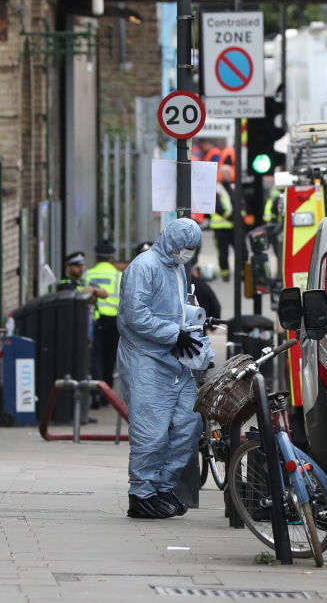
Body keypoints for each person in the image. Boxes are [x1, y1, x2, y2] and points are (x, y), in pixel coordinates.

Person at [117, 218, 203, 519]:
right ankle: (141, 495)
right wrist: (173, 334)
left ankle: (161, 486)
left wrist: (188, 327)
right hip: (145, 360)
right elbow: (134, 315)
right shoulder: (144, 267)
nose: (187, 253)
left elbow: (174, 308)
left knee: (189, 424)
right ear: (171, 243)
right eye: (185, 248)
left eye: (192, 248)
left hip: (173, 359)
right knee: (151, 433)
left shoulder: (175, 267)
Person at [85, 240, 123, 408]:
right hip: (113, 323)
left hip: (94, 321)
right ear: (111, 258)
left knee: (95, 359)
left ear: (97, 257)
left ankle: (96, 393)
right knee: (110, 359)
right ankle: (107, 394)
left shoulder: (88, 275)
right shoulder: (118, 275)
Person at [209, 173, 235, 281]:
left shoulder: (231, 187)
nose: (229, 176)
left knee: (242, 251)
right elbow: (218, 206)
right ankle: (225, 274)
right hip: (220, 227)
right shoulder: (217, 189)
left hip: (233, 227)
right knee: (223, 253)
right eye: (227, 174)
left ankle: (242, 273)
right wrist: (230, 217)